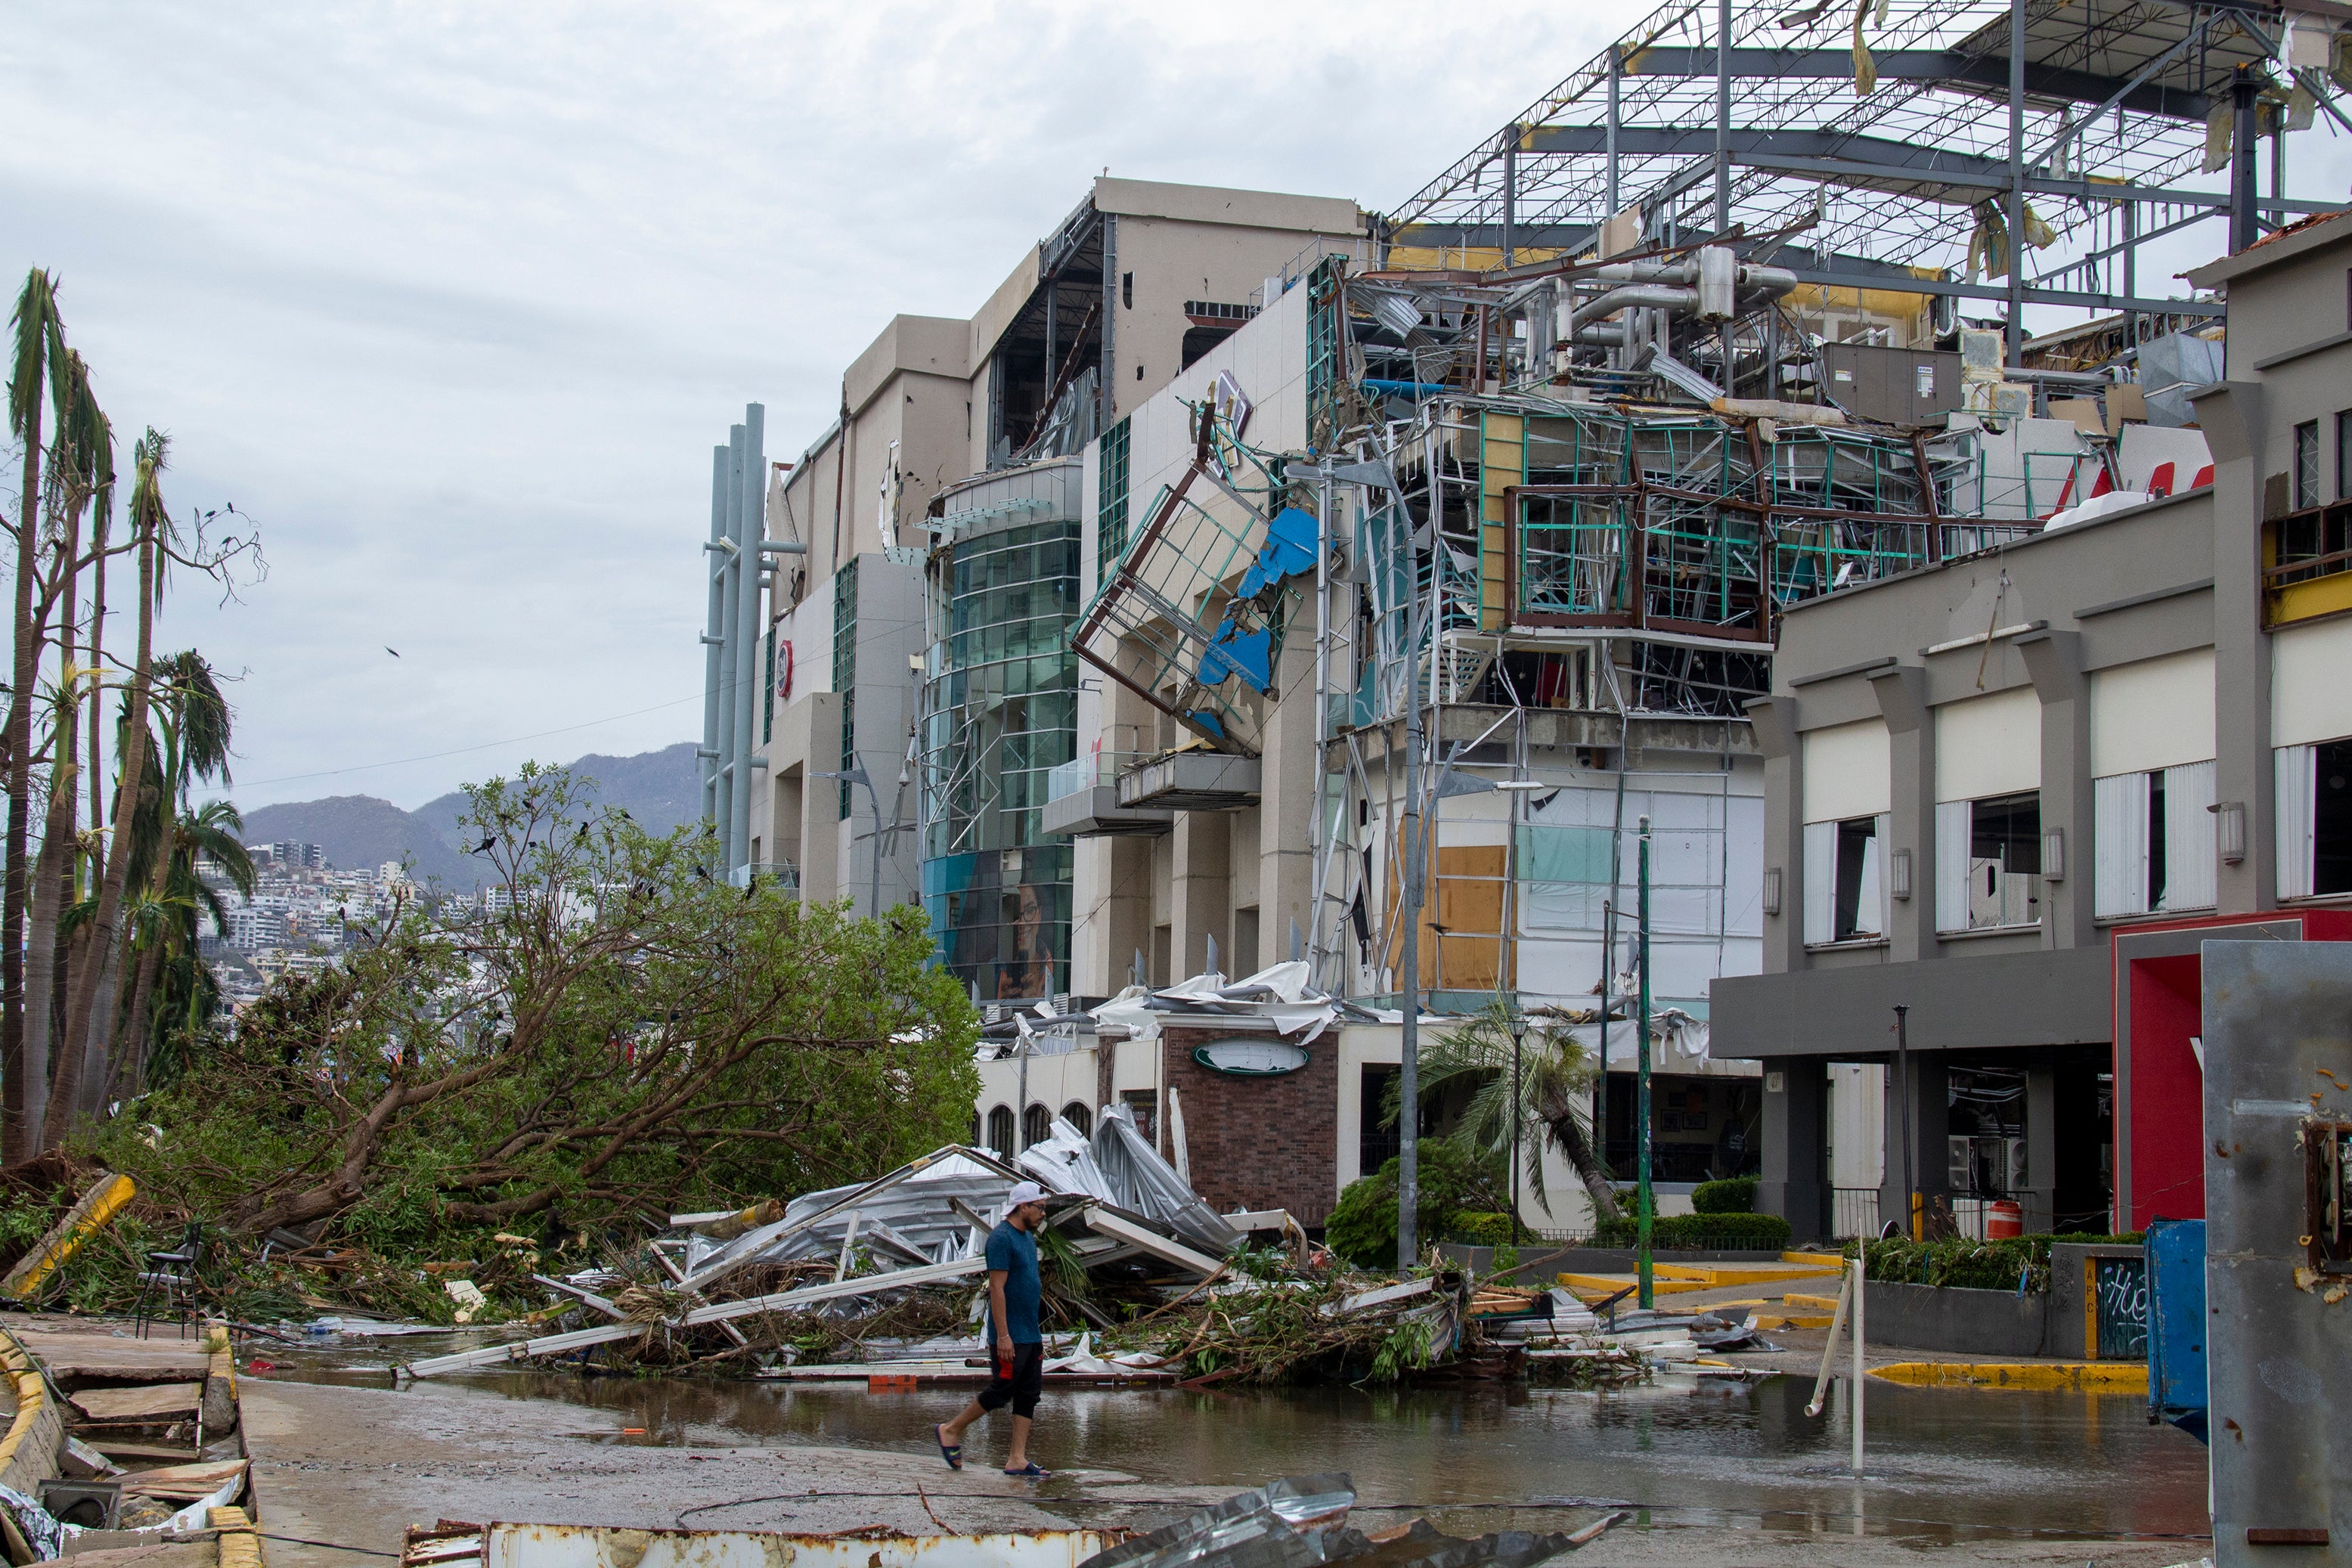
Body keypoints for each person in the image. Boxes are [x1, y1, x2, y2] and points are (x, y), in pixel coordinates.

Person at [934, 1180, 1050, 1477]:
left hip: (1030, 1334)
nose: (1042, 1214)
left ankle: (1017, 1458)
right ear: (1022, 1206)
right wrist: (1004, 1336)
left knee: (1029, 1393)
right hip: (1010, 1335)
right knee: (1002, 1390)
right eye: (1039, 1208)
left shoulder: (1027, 1238)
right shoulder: (1001, 1239)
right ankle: (950, 1430)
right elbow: (997, 1290)